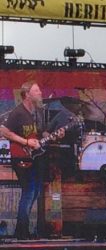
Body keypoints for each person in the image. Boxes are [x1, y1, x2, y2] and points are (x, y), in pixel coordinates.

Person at [0, 81, 64, 239]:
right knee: (29, 192)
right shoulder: (18, 112)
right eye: (37, 91)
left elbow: (39, 135)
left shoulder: (37, 112)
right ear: (27, 94)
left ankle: (22, 230)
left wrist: (54, 135)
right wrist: (25, 142)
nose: (40, 93)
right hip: (20, 156)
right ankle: (22, 231)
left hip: (33, 157)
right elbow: (4, 131)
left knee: (34, 192)